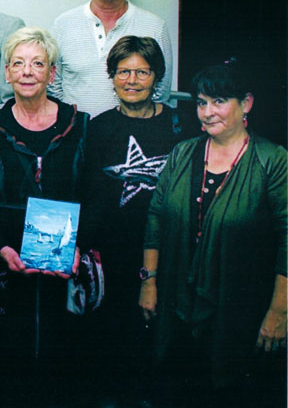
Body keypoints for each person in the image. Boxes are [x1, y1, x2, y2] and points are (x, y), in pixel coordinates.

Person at [139, 61, 286, 406]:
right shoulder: (183, 153)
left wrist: (280, 312)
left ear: (246, 103)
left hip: (241, 311)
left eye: (219, 101)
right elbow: (156, 217)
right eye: (201, 102)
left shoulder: (273, 160)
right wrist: (149, 281)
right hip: (176, 305)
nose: (207, 112)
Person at [0, 27, 86, 405]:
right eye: (18, 63)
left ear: (52, 72)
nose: (27, 71)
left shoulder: (81, 126)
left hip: (66, 263)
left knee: (62, 368)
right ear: (7, 73)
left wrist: (80, 246)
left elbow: (95, 197)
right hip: (5, 262)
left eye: (37, 63)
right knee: (8, 369)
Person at [79, 36, 192, 405]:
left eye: (141, 72)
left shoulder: (180, 125)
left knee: (161, 333)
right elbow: (87, 190)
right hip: (111, 251)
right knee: (113, 333)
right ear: (111, 77)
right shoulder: (96, 128)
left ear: (156, 76)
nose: (132, 80)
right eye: (123, 71)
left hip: (167, 249)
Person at [50, 0, 173, 117]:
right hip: (75, 136)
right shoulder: (63, 25)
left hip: (133, 137)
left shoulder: (154, 26)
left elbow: (161, 90)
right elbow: (53, 87)